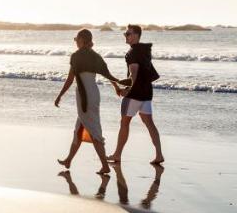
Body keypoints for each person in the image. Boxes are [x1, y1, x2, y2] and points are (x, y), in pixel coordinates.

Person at [55, 28, 123, 175]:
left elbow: (70, 79)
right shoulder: (95, 56)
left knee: (94, 132)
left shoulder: (76, 56)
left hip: (84, 97)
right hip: (93, 94)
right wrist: (116, 87)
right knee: (79, 129)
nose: (75, 42)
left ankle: (105, 166)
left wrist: (60, 95)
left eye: (76, 39)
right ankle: (68, 160)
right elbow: (108, 75)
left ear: (82, 40)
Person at [109, 24, 164, 166]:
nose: (125, 36)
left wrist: (127, 90)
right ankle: (159, 154)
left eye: (128, 34)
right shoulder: (145, 51)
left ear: (136, 36)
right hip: (147, 92)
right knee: (150, 123)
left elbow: (134, 74)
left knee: (124, 123)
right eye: (125, 34)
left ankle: (117, 154)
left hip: (134, 94)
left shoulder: (132, 53)